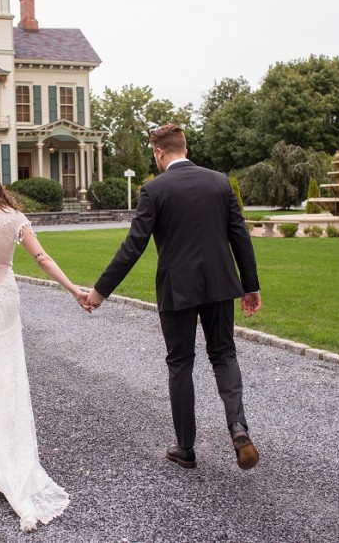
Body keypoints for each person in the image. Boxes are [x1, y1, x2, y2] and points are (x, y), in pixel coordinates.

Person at [84, 124, 262, 471]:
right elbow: (240, 237)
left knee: (180, 363)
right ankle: (238, 428)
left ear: (159, 153)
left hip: (176, 289)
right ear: (185, 146)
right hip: (220, 285)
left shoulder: (154, 190)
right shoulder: (220, 182)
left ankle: (185, 448)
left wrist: (100, 291)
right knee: (223, 354)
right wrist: (250, 287)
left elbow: (133, 246)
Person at [0, 164, 88, 531]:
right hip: (5, 300)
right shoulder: (16, 218)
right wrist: (73, 289)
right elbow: (42, 258)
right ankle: (14, 459)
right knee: (9, 376)